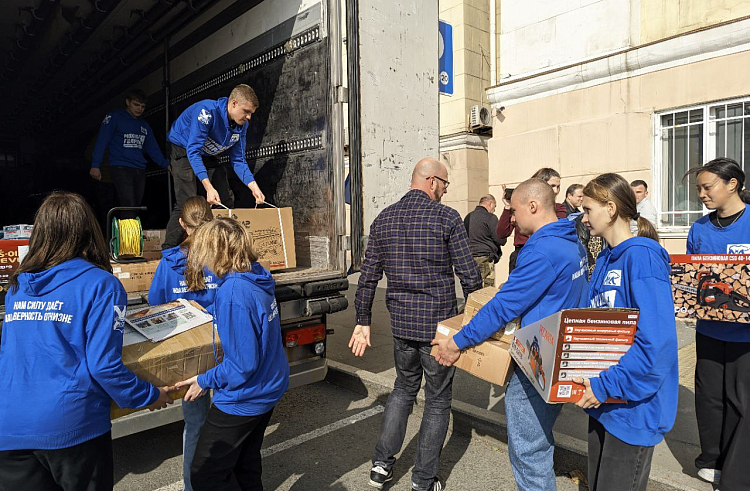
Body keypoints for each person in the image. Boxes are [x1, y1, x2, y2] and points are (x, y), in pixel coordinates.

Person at [0, 191, 172, 491]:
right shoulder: (101, 285)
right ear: (88, 230)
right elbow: (104, 366)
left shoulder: (17, 287)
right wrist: (148, 396)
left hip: (10, 427)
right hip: (71, 427)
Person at [433, 178, 588, 491]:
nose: (512, 218)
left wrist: (457, 342)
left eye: (515, 210)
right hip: (561, 353)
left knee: (529, 451)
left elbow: (501, 308)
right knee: (539, 442)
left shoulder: (543, 249)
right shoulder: (570, 240)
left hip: (538, 362)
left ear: (533, 206)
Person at [349, 158, 481, 491]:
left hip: (402, 327)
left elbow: (367, 278)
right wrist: (480, 322)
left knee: (403, 390)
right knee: (437, 400)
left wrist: (362, 320)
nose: (445, 191)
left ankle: (381, 466)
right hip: (439, 331)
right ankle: (423, 481)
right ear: (432, 181)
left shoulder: (384, 219)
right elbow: (469, 275)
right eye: (446, 184)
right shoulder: (447, 218)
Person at [575, 173, 678, 491]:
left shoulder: (642, 257)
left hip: (633, 409)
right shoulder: (605, 257)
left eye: (588, 208)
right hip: (604, 402)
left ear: (610, 208)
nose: (584, 216)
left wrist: (606, 385)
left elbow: (656, 344)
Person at [175, 217, 289, 491]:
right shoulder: (256, 274)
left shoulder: (234, 292)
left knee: (205, 474)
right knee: (244, 465)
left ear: (215, 252)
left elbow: (242, 365)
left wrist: (203, 381)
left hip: (245, 397)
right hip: (269, 387)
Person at [682, 158, 750, 491]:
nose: (701, 194)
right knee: (709, 399)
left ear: (732, 183)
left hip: (746, 336)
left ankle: (738, 470)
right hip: (709, 330)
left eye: (707, 187)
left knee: (741, 401)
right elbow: (693, 279)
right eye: (698, 188)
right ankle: (711, 461)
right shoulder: (699, 229)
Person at [148, 196, 221, 491]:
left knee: (196, 425)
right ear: (211, 221)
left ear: (181, 224)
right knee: (232, 423)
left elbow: (156, 307)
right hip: (226, 350)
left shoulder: (168, 264)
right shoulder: (222, 259)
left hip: (192, 357)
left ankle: (194, 487)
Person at [164, 84, 266, 249]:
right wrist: (207, 186)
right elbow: (193, 151)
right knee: (187, 201)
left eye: (251, 113)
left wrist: (253, 187)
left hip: (208, 152)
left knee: (224, 198)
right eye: (246, 112)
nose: (249, 117)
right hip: (183, 147)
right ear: (233, 103)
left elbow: (238, 159)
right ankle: (169, 251)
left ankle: (225, 248)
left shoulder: (242, 125)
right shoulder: (207, 112)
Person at [90, 89, 169, 218]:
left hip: (139, 169)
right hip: (120, 166)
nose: (139, 109)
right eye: (136, 105)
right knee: (128, 204)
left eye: (142, 106)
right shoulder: (114, 117)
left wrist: (166, 164)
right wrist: (95, 165)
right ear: (127, 102)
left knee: (136, 205)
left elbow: (152, 148)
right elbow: (102, 140)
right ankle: (126, 237)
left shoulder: (144, 125)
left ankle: (128, 233)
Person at [497, 167, 568, 272]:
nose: (556, 191)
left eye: (558, 186)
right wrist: (509, 207)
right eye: (552, 186)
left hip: (543, 255)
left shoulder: (559, 208)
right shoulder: (522, 208)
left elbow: (551, 232)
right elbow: (501, 233)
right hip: (520, 254)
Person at [464, 194, 506, 288]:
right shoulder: (490, 217)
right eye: (494, 207)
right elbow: (500, 239)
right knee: (486, 290)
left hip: (470, 258)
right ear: (490, 204)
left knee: (473, 288)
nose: (494, 210)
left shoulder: (468, 217)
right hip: (485, 258)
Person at [564, 183, 593, 268]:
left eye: (583, 197)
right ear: (569, 196)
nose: (581, 199)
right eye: (579, 196)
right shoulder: (563, 213)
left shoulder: (577, 212)